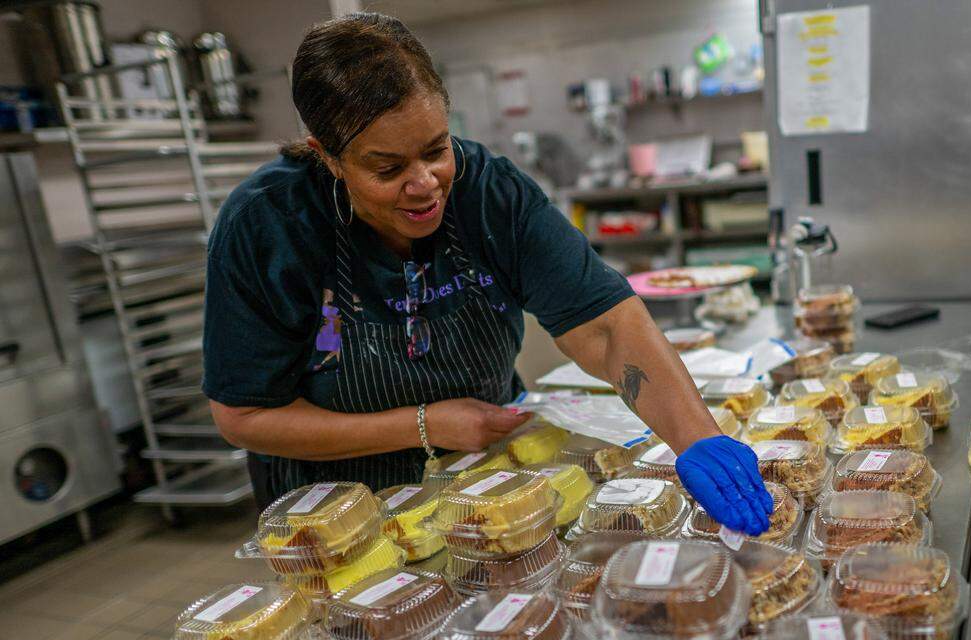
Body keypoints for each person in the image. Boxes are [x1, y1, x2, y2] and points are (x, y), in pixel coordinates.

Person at [202, 13, 772, 534]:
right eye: (388, 167)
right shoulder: (268, 225)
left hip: (487, 491)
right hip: (334, 521)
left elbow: (604, 324)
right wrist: (424, 425)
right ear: (325, 154)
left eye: (435, 149)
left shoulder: (490, 194)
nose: (424, 182)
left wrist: (696, 437)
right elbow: (244, 415)